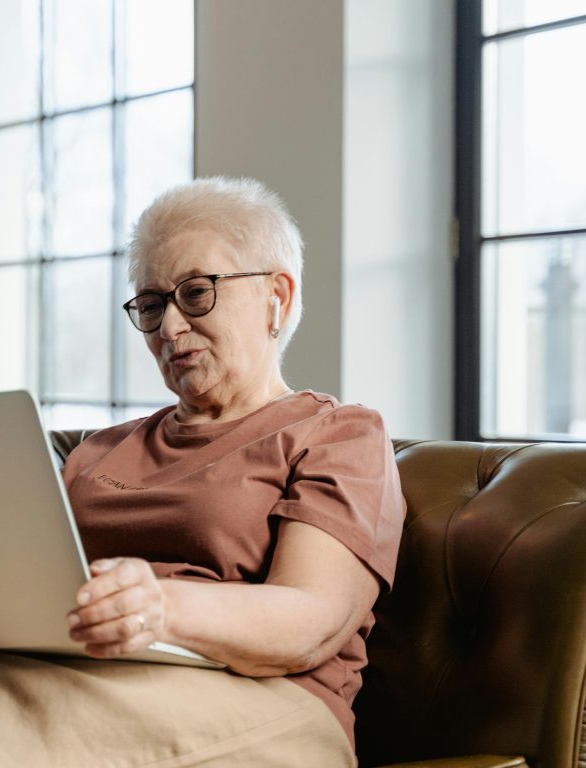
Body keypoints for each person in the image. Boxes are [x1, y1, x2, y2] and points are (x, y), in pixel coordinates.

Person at [60, 176, 406, 765]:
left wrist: (159, 606)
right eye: (150, 306)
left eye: (196, 294)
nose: (168, 329)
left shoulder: (338, 434)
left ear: (278, 296)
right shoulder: (96, 452)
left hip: (261, 707)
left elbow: (310, 620)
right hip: (75, 677)